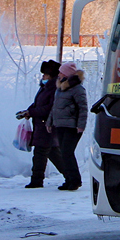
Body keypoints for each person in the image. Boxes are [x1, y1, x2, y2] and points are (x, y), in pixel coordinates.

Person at [16, 60, 62, 189]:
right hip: (42, 125)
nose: (43, 77)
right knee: (53, 153)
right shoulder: (45, 88)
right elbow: (38, 104)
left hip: (47, 125)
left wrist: (32, 112)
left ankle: (37, 181)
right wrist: (28, 111)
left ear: (50, 75)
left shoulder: (53, 89)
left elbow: (48, 108)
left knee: (40, 154)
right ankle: (72, 176)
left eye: (45, 74)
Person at [46, 60, 88, 191]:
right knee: (64, 153)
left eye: (61, 72)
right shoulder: (60, 88)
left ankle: (75, 181)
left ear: (67, 74)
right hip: (60, 125)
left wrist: (81, 126)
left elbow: (83, 108)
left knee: (67, 152)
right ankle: (69, 179)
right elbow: (55, 107)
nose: (59, 74)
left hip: (72, 127)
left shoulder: (77, 89)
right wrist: (50, 121)